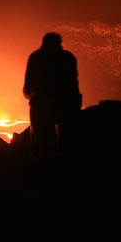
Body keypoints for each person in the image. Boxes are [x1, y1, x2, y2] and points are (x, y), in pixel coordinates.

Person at [23, 32, 82, 162]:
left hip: (40, 105)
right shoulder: (68, 58)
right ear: (60, 43)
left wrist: (30, 94)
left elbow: (28, 84)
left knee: (40, 144)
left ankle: (42, 171)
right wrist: (76, 104)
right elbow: (73, 83)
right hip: (65, 105)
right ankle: (65, 170)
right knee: (66, 144)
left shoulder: (35, 57)